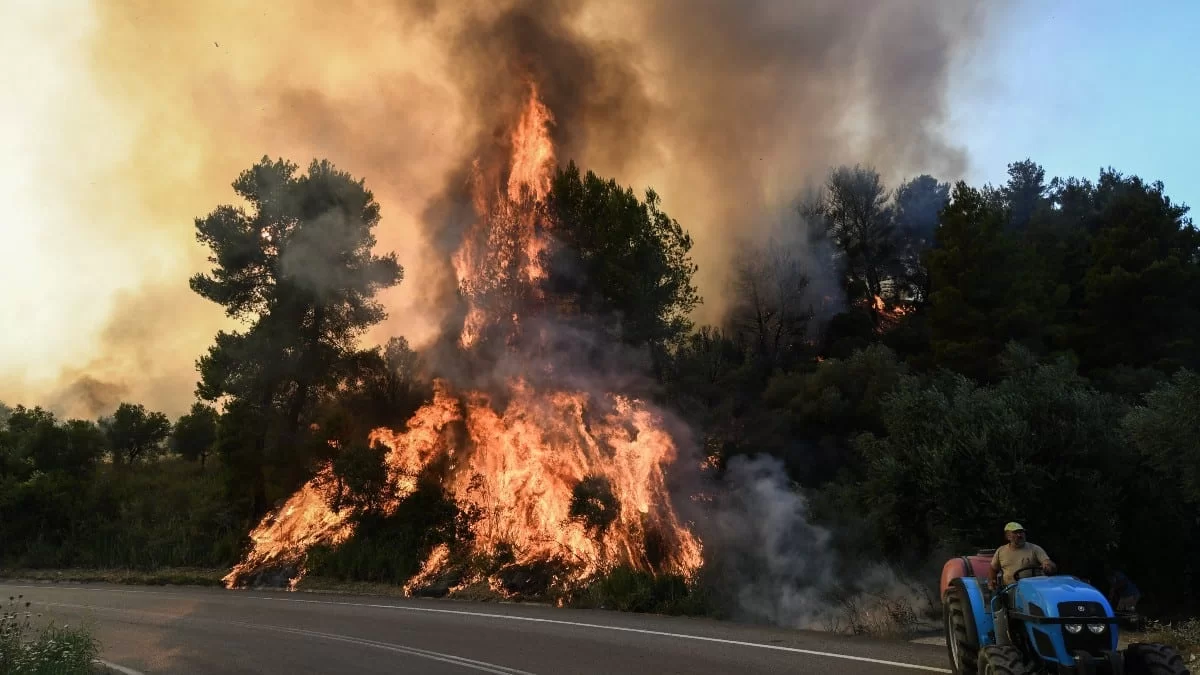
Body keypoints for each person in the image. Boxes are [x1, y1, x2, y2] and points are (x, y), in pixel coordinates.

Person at [990, 521, 1056, 588]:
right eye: (1015, 532)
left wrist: (1048, 565)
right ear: (1008, 536)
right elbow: (993, 568)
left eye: (1021, 532)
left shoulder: (1035, 549)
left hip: (1032, 588)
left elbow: (1046, 561)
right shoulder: (1001, 551)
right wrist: (992, 580)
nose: (1019, 535)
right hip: (1010, 589)